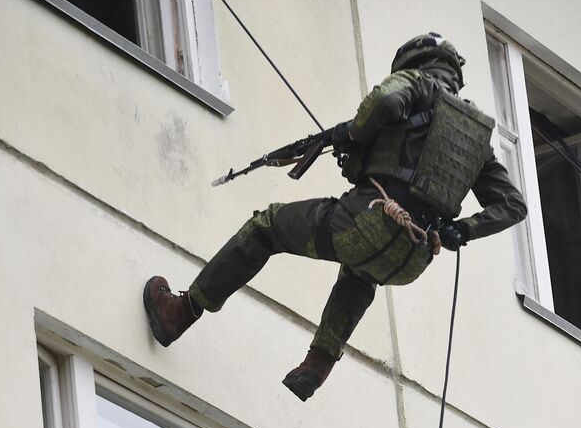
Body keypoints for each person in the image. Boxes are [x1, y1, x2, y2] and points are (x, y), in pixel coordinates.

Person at [142, 33, 527, 400]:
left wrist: (354, 134)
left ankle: (181, 311)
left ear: (415, 62)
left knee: (267, 228)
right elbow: (513, 205)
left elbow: (387, 103)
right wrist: (463, 230)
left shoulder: (418, 84)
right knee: (360, 272)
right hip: (413, 258)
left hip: (367, 222)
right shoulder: (476, 139)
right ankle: (317, 364)